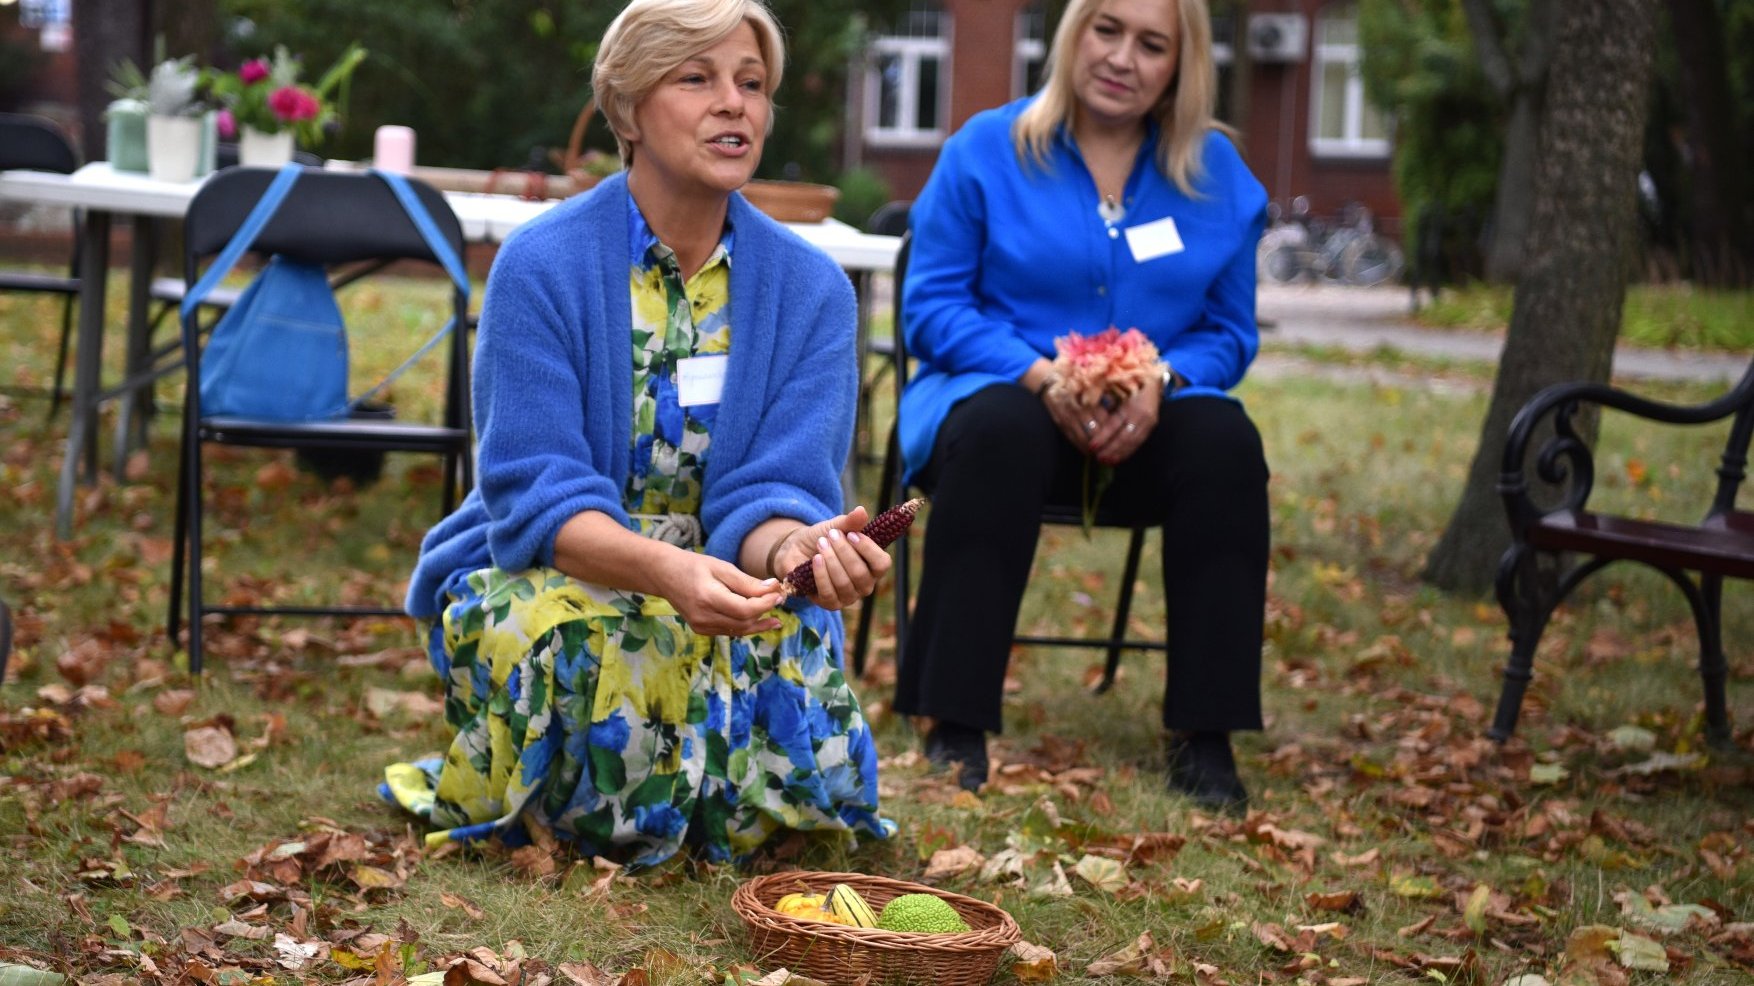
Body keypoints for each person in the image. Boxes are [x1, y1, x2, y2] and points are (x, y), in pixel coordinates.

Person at [381, 0, 895, 868]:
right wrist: (665, 571)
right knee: (616, 634)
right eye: (697, 78)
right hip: (552, 562)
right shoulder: (541, 265)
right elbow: (535, 494)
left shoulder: (813, 291)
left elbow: (773, 493)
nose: (734, 104)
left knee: (788, 633)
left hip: (730, 571)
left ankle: (714, 819)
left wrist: (802, 549)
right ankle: (598, 819)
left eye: (752, 83)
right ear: (627, 109)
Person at [891, 0, 1269, 813]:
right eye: (1107, 29)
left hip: (1146, 427)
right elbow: (930, 308)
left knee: (1226, 442)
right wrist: (1036, 375)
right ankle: (952, 720)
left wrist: (1160, 379)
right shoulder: (985, 152)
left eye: (1151, 43)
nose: (1123, 57)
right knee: (1000, 430)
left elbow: (1230, 334)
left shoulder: (1220, 179)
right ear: (1072, 34)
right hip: (1001, 412)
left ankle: (1206, 737)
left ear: (1180, 63)